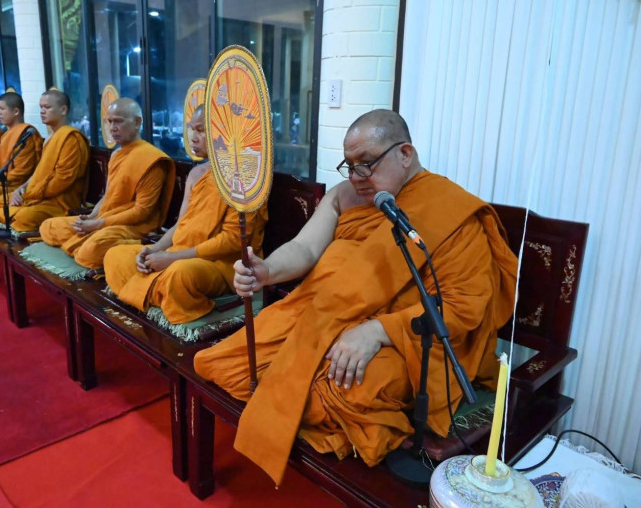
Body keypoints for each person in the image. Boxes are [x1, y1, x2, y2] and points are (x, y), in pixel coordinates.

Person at [193, 109, 519, 486]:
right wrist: (266, 270)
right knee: (225, 363)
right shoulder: (343, 196)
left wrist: (377, 331)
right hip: (318, 315)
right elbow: (304, 248)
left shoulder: (450, 210)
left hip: (404, 340)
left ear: (405, 154)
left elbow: (463, 306)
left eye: (366, 164)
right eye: (349, 166)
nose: (356, 177)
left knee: (348, 390)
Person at [103, 105, 268, 323]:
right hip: (180, 251)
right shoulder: (196, 173)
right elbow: (181, 224)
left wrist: (171, 259)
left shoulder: (245, 176)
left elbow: (232, 240)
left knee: (178, 275)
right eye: (191, 129)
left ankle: (153, 292)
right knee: (115, 256)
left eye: (201, 131)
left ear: (224, 133)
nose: (193, 137)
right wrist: (154, 250)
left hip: (219, 264)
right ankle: (159, 294)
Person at [37, 98, 175, 269]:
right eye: (109, 122)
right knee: (48, 226)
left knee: (92, 250)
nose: (112, 128)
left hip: (134, 225)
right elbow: (107, 197)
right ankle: (87, 240)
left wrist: (98, 224)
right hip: (106, 219)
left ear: (137, 122)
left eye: (118, 121)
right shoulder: (116, 155)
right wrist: (91, 217)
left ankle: (134, 243)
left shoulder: (152, 159)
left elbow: (142, 212)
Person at [0, 90, 89, 233]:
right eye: (41, 107)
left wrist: (31, 194)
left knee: (24, 217)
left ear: (63, 110)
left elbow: (63, 179)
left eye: (47, 107)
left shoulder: (71, 138)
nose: (42, 111)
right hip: (38, 195)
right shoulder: (50, 138)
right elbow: (39, 173)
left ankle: (16, 217)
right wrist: (21, 189)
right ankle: (15, 216)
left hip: (58, 202)